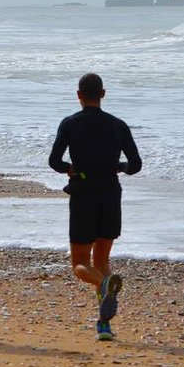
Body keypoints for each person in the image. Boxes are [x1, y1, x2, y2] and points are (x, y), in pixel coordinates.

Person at [48, 72, 142, 341]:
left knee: (80, 264)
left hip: (83, 192)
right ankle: (104, 324)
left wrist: (69, 169)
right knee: (101, 260)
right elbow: (135, 165)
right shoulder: (118, 125)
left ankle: (103, 285)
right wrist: (119, 166)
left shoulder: (69, 124)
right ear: (103, 94)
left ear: (78, 95)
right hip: (111, 192)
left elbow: (54, 161)